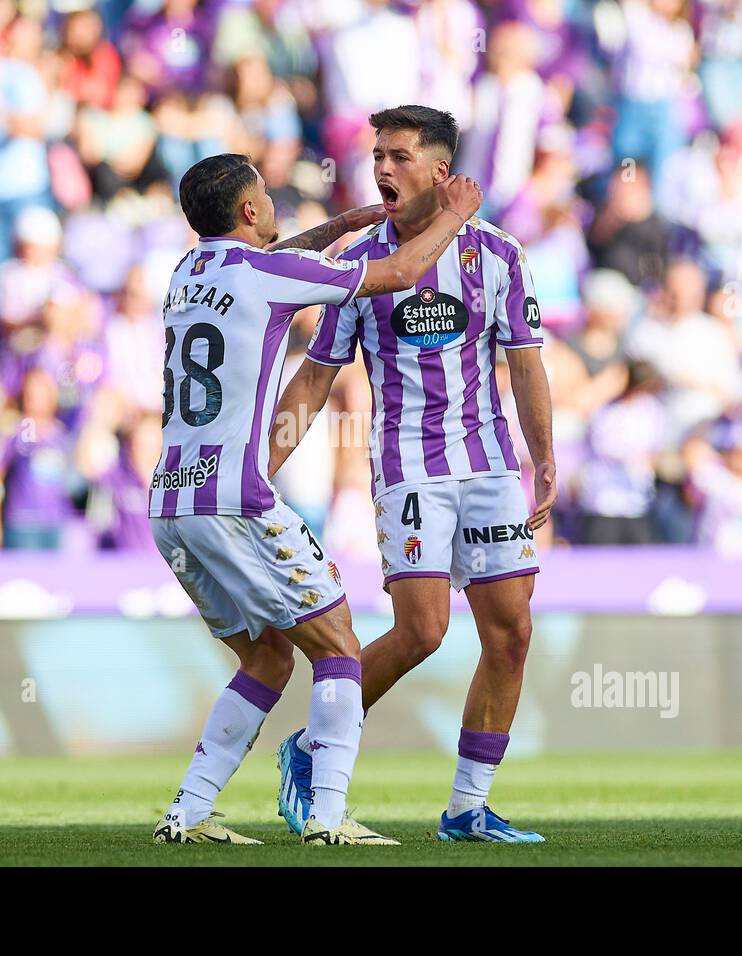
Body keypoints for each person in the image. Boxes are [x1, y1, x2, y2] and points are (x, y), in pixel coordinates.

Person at [151, 151, 482, 846]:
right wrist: (453, 213)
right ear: (249, 210)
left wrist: (340, 225)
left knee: (268, 658)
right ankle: (328, 818)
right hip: (236, 498)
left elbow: (270, 257)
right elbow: (399, 273)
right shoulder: (266, 274)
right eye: (265, 196)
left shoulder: (186, 274)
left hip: (171, 505)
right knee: (336, 646)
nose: (273, 207)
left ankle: (187, 813)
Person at [269, 106, 556, 843]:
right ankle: (310, 745)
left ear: (440, 170)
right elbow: (315, 378)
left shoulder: (497, 255)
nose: (383, 169)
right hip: (408, 468)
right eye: (378, 156)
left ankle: (467, 807)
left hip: (489, 465)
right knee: (424, 630)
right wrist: (263, 465)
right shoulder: (361, 264)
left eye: (399, 156)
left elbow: (525, 363)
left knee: (512, 633)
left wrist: (543, 456)